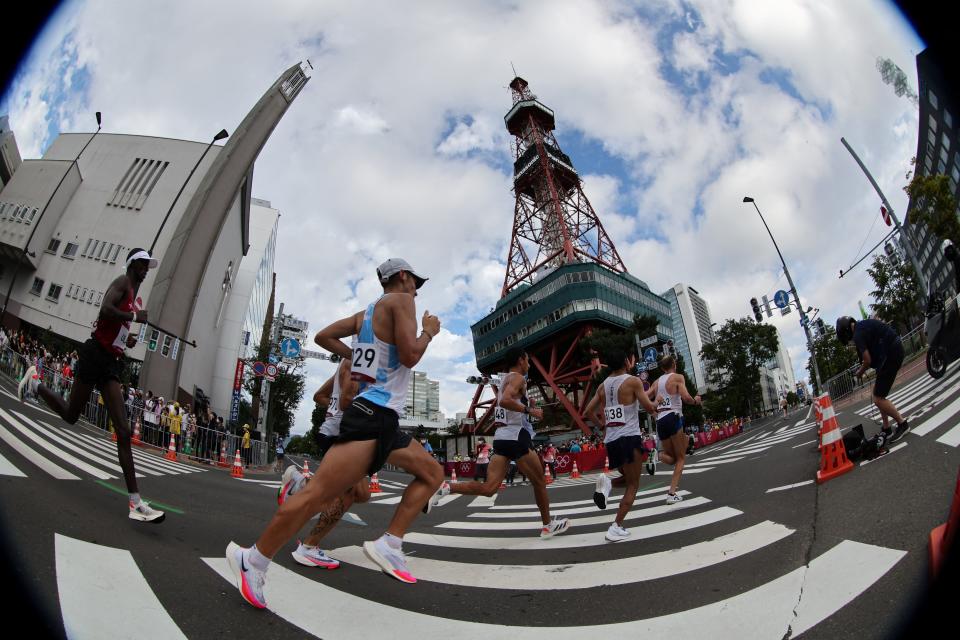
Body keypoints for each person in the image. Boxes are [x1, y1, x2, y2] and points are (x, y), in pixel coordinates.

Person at [226, 258, 443, 609]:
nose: (417, 290)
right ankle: (254, 560)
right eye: (415, 282)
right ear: (402, 277)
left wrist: (356, 355)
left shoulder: (365, 314)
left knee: (432, 472)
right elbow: (411, 355)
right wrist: (429, 331)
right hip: (374, 415)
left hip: (378, 417)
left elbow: (323, 336)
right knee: (316, 495)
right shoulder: (403, 302)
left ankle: (390, 543)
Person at [18, 248, 164, 523]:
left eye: (148, 266)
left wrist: (126, 340)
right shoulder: (123, 283)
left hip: (110, 363)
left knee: (122, 430)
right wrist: (133, 318)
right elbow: (105, 310)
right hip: (94, 354)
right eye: (143, 265)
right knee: (72, 415)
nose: (146, 270)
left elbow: (115, 327)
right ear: (133, 265)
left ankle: (135, 502)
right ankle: (35, 386)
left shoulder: (133, 294)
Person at [429, 348, 570, 538]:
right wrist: (530, 410)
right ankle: (547, 525)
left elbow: (507, 401)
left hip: (501, 438)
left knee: (489, 488)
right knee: (539, 482)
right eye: (527, 360)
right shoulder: (518, 378)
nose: (528, 364)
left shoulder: (504, 380)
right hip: (516, 437)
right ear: (521, 360)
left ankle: (448, 487)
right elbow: (505, 401)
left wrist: (529, 404)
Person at [275, 355, 371, 570]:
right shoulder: (360, 359)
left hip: (338, 431)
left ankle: (300, 484)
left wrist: (335, 406)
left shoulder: (347, 364)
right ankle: (309, 546)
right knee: (352, 492)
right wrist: (359, 410)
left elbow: (320, 396)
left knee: (363, 493)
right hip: (341, 432)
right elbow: (346, 401)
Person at [583, 348, 658, 541]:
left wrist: (602, 426)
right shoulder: (632, 381)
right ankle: (616, 526)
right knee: (633, 484)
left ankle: (607, 484)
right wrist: (658, 401)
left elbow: (588, 412)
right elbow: (648, 407)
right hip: (629, 438)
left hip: (612, 441)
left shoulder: (602, 386)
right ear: (626, 361)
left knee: (627, 478)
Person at [836, 316, 909, 442]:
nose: (850, 341)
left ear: (846, 332)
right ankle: (886, 428)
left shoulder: (858, 335)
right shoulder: (862, 326)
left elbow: (867, 360)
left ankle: (902, 424)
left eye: (847, 339)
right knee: (878, 394)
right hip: (891, 352)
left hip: (891, 354)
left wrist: (859, 373)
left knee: (878, 399)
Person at [648, 355, 701, 504]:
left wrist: (654, 408)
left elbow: (644, 398)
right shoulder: (678, 377)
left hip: (661, 420)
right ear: (674, 364)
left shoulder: (657, 382)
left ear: (662, 368)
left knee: (671, 458)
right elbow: (686, 398)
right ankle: (671, 494)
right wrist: (696, 401)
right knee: (681, 458)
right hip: (673, 416)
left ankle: (656, 455)